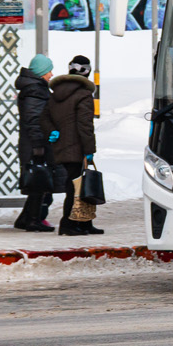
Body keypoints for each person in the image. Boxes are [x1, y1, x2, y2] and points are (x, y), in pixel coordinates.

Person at [42, 55, 103, 236]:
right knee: (76, 186)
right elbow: (85, 125)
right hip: (77, 147)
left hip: (61, 146)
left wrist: (53, 132)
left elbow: (43, 118)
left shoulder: (55, 94)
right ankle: (68, 224)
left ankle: (84, 223)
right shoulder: (84, 94)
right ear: (87, 71)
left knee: (76, 184)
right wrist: (89, 150)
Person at [14, 54, 57, 232]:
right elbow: (34, 120)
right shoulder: (35, 90)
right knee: (39, 183)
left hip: (32, 142)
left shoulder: (33, 88)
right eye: (48, 71)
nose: (51, 74)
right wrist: (39, 145)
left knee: (37, 183)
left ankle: (25, 219)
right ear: (40, 72)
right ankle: (32, 220)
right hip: (35, 144)